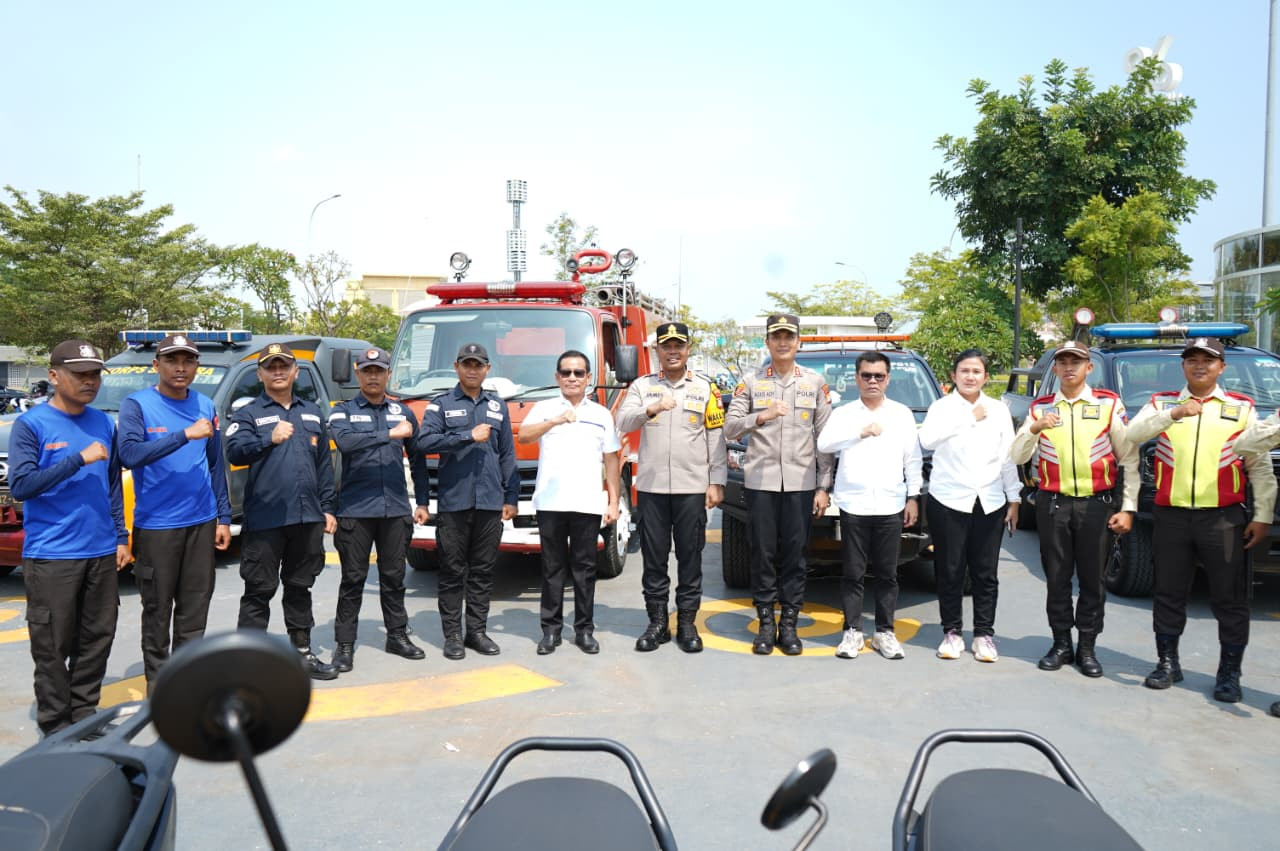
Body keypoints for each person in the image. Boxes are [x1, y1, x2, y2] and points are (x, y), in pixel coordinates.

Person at [1127, 337, 1274, 703]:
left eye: (1208, 360)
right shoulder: (1162, 403)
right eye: (1192, 359)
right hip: (1172, 516)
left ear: (1221, 367)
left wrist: (1263, 514)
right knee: (1168, 593)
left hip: (1223, 518)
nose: (1199, 366)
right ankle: (1167, 663)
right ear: (1183, 366)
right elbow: (1133, 435)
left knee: (1230, 599)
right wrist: (1174, 414)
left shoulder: (1241, 408)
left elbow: (1259, 465)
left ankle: (1229, 673)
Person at [8, 340, 130, 735]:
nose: (89, 381)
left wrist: (120, 535)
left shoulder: (103, 424)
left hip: (100, 550)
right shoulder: (31, 425)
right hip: (52, 554)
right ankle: (56, 726)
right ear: (54, 376)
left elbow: (113, 484)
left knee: (97, 638)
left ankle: (83, 714)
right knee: (52, 644)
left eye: (94, 374)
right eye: (80, 374)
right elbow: (22, 485)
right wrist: (77, 459)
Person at [1008, 340, 1138, 678]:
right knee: (1057, 579)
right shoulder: (1041, 408)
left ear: (1088, 368)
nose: (1069, 368)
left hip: (1097, 504)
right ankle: (1061, 644)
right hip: (1054, 504)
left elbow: (1128, 457)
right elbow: (1017, 455)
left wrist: (1128, 507)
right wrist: (1034, 429)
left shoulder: (1107, 404)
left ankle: (1088, 648)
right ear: (1054, 368)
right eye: (1063, 362)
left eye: (1076, 362)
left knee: (1093, 580)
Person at [116, 334, 232, 693]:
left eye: (188, 361)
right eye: (171, 360)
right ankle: (158, 687)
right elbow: (129, 455)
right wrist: (184, 435)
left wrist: (224, 516)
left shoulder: (205, 405)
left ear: (197, 366)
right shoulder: (137, 405)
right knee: (157, 610)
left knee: (194, 609)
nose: (180, 368)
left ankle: (186, 685)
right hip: (157, 526)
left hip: (201, 521)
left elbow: (216, 465)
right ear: (156, 365)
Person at [225, 343, 340, 680]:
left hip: (307, 518)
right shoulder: (248, 414)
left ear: (295, 372)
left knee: (300, 588)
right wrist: (268, 439)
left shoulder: (312, 412)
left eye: (284, 366)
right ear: (260, 374)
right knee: (258, 590)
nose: (278, 371)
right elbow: (235, 452)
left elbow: (324, 466)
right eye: (270, 367)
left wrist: (328, 508)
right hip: (266, 520)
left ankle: (302, 653)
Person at [724, 313, 833, 655]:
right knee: (763, 554)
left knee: (796, 556)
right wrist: (762, 416)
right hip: (762, 482)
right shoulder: (751, 382)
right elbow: (730, 428)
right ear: (767, 342)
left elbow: (825, 439)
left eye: (789, 337)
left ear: (798, 342)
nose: (783, 343)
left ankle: (788, 625)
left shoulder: (814, 383)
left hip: (801, 483)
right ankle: (765, 624)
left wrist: (823, 486)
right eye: (777, 337)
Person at [615, 322, 726, 653]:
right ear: (657, 351)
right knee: (654, 560)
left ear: (688, 349)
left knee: (691, 558)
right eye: (667, 346)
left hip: (692, 488)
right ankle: (658, 623)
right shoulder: (642, 386)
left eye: (679, 345)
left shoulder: (705, 388)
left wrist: (716, 481)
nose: (673, 351)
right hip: (653, 489)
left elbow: (716, 437)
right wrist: (651, 408)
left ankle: (687, 623)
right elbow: (622, 421)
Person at [326, 346, 431, 671]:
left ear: (388, 374)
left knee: (394, 577)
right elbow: (346, 443)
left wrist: (422, 501)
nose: (373, 376)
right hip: (355, 510)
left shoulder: (403, 412)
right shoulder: (342, 411)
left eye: (379, 371)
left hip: (395, 510)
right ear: (357, 374)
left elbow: (418, 458)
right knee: (353, 579)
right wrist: (388, 434)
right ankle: (345, 645)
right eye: (367, 371)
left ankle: (396, 635)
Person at [816, 351, 921, 661]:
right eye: (866, 375)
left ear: (887, 379)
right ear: (857, 378)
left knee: (888, 574)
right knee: (853, 572)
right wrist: (859, 433)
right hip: (854, 504)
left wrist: (913, 497)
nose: (872, 381)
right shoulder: (844, 414)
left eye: (879, 376)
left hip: (890, 503)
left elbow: (913, 459)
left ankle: (885, 632)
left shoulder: (901, 414)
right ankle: (852, 631)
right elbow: (824, 444)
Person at [416, 343, 519, 660]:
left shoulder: (497, 406)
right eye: (467, 364)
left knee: (483, 571)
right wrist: (466, 436)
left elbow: (507, 454)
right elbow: (424, 441)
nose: (472, 370)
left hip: (490, 502)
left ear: (487, 369)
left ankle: (476, 632)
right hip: (454, 503)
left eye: (478, 365)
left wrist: (511, 496)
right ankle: (452, 636)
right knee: (452, 571)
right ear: (456, 367)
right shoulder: (440, 405)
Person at [919, 349, 1020, 663]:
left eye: (976, 371)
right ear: (954, 375)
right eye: (964, 371)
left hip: (989, 500)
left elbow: (1007, 456)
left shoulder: (998, 409)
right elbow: (927, 441)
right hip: (949, 500)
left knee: (985, 573)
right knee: (950, 569)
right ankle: (951, 632)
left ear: (986, 377)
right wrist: (967, 418)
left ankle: (983, 635)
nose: (970, 376)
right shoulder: (942, 407)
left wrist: (1014, 498)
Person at [518, 350, 621, 654]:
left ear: (588, 378)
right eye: (566, 373)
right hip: (550, 503)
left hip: (587, 503)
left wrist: (613, 501)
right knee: (552, 569)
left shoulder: (601, 414)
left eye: (578, 373)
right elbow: (524, 436)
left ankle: (584, 630)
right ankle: (551, 631)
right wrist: (555, 421)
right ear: (557, 377)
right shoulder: (544, 408)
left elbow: (611, 459)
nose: (572, 378)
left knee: (584, 570)